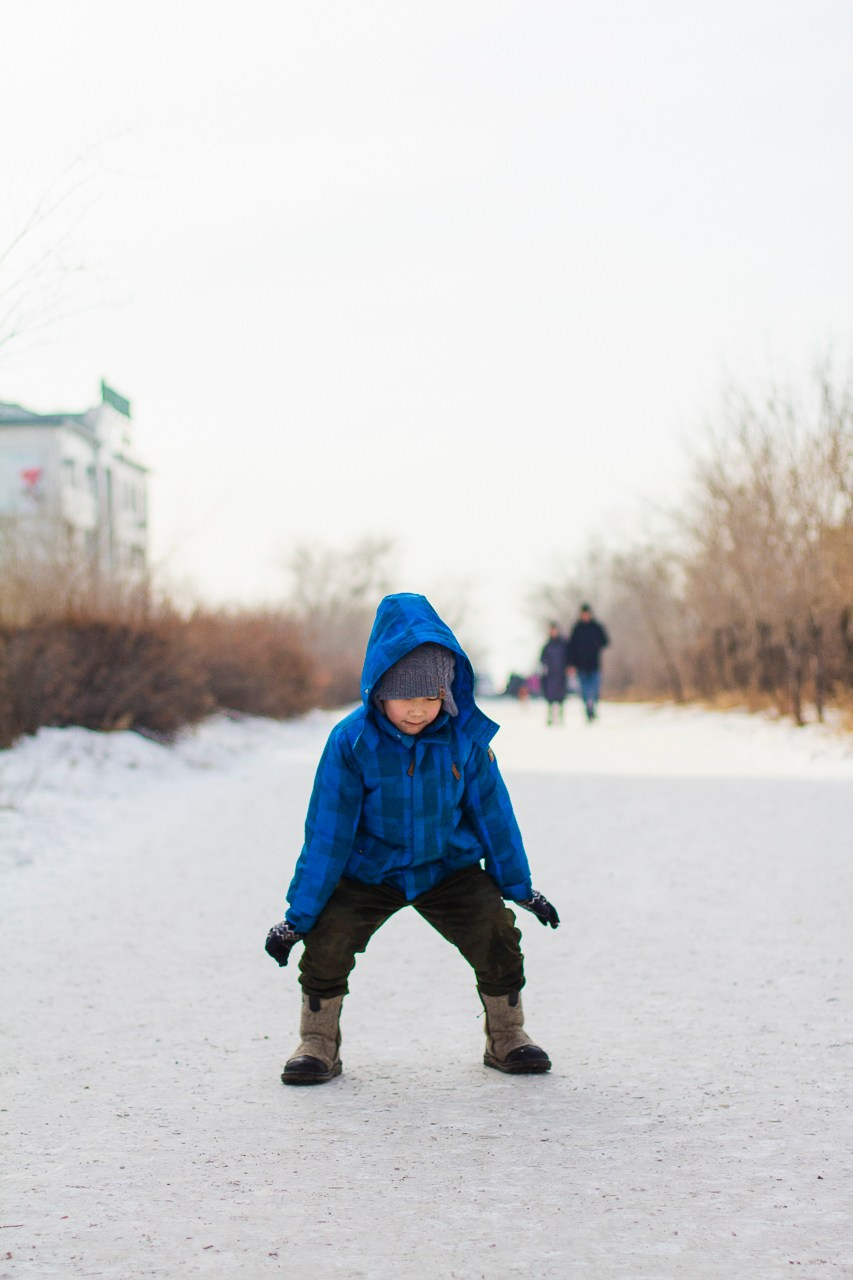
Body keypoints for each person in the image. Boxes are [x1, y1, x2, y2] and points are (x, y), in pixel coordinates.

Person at [264, 592, 560, 1085]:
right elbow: (327, 833)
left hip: (446, 867)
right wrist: (298, 919)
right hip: (370, 870)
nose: (419, 710)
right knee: (329, 939)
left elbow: (494, 815)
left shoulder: (463, 738)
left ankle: (508, 1034)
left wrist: (519, 886)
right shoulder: (352, 742)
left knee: (495, 932)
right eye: (406, 697)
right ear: (379, 690)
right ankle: (317, 1040)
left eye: (431, 698)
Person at [566, 602, 609, 721]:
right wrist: (571, 664)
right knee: (584, 690)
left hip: (594, 664)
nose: (585, 616)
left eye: (587, 614)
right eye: (583, 614)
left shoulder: (596, 627)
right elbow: (571, 648)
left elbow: (605, 641)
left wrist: (596, 644)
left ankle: (593, 706)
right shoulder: (577, 628)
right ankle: (588, 709)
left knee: (594, 689)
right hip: (581, 665)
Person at [539, 622, 569, 725]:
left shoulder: (563, 645)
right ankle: (550, 717)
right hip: (550, 675)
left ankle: (560, 716)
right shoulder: (547, 646)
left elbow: (568, 658)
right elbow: (542, 660)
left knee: (561, 697)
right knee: (550, 697)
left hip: (561, 674)